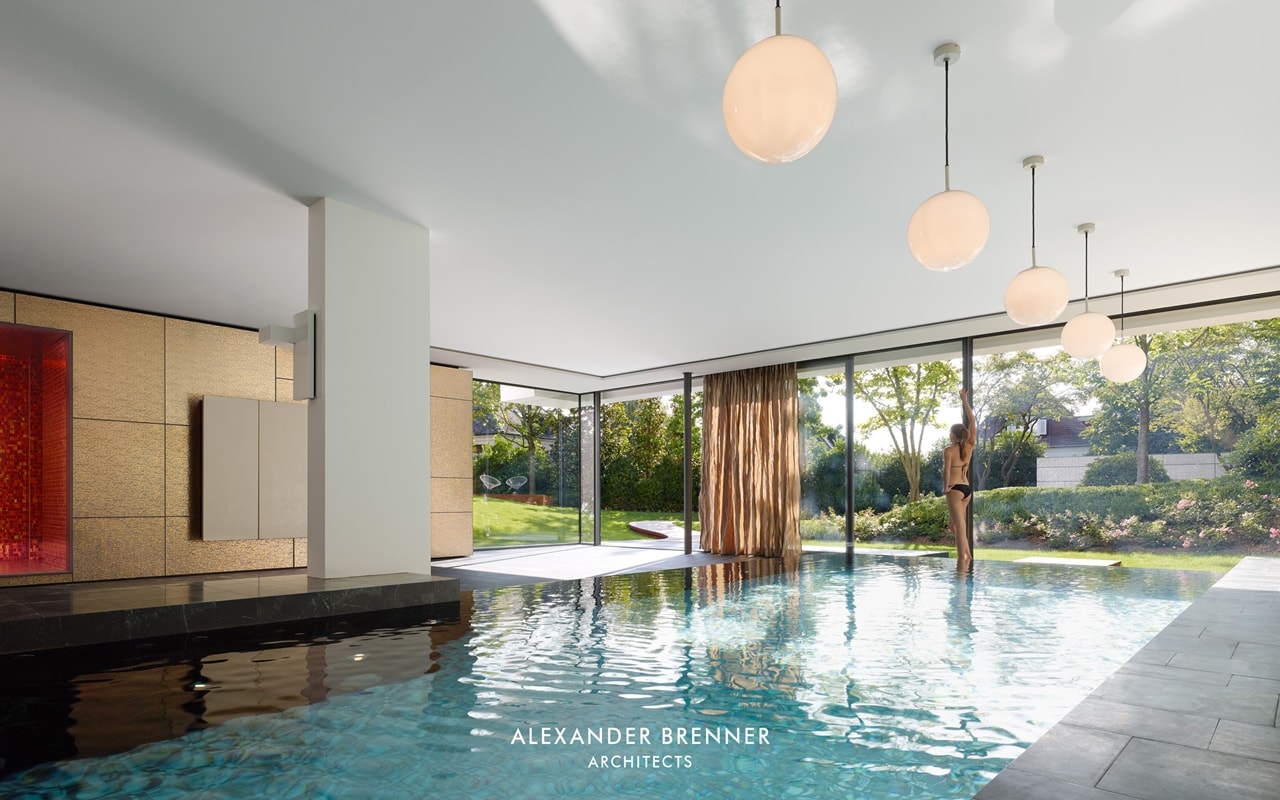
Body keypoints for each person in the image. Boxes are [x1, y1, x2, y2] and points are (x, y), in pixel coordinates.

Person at [944, 388, 976, 567]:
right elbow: (972, 420)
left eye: (950, 432)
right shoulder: (970, 445)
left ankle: (963, 564)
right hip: (967, 489)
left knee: (960, 527)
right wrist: (965, 400)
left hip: (955, 489)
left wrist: (945, 488)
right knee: (955, 526)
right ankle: (968, 558)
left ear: (953, 435)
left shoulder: (948, 451)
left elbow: (946, 472)